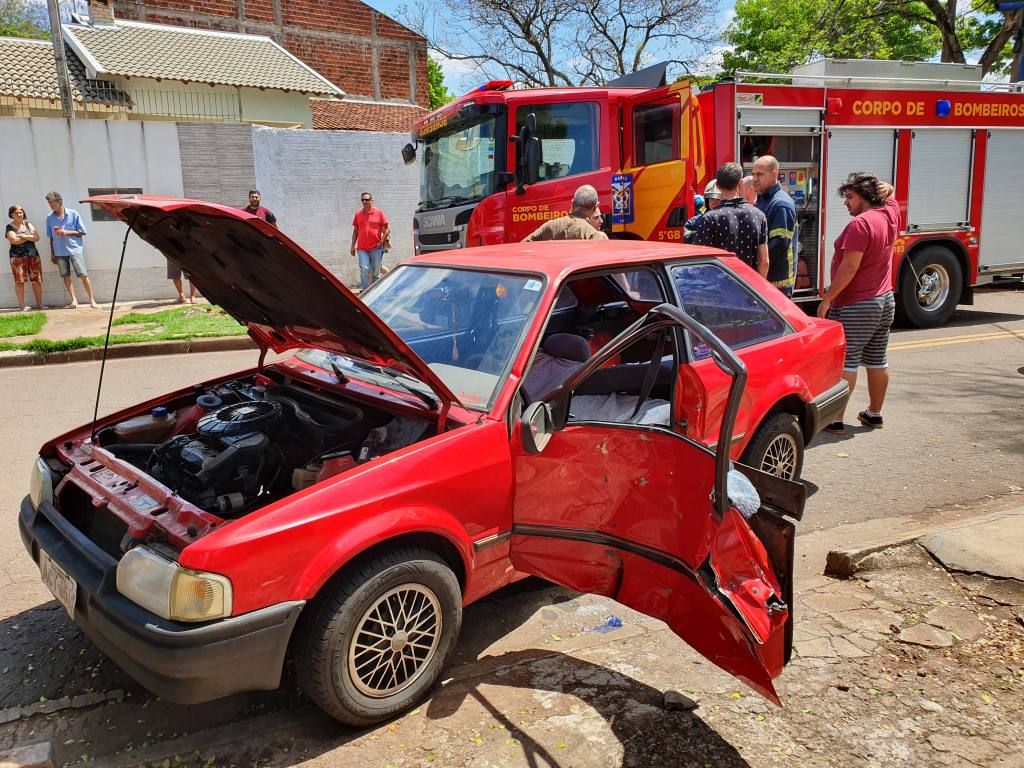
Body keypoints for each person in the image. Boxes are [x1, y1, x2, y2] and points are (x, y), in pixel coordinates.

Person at [816, 173, 900, 434]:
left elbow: (849, 267)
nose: (846, 203)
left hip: (858, 303)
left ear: (866, 196)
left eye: (850, 197)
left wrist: (827, 299)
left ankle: (836, 419)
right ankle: (874, 414)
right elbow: (891, 193)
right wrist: (886, 188)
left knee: (847, 362)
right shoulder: (890, 213)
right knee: (877, 359)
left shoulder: (861, 225)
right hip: (885, 300)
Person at [690, 163, 769, 278]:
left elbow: (699, 261)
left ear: (717, 185)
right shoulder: (759, 215)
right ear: (740, 183)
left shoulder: (710, 218)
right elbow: (764, 261)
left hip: (720, 289)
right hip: (750, 288)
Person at [44, 191, 99, 309]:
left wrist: (67, 232)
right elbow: (51, 238)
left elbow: (83, 232)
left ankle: (92, 300)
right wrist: (52, 253)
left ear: (59, 201)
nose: (51, 205)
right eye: (49, 203)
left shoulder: (73, 214)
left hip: (75, 250)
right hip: (59, 251)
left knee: (83, 274)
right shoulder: (49, 218)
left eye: (52, 203)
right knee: (65, 276)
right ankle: (74, 300)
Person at [752, 156, 797, 296]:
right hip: (767, 279)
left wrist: (754, 262)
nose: (754, 179)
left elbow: (778, 245)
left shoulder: (780, 204)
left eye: (759, 174)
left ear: (774, 175)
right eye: (753, 174)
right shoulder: (764, 200)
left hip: (777, 282)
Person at [522, 185, 609, 242]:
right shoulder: (595, 236)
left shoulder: (549, 227)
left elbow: (522, 247)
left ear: (572, 203)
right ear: (595, 207)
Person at [6, 204, 44, 311]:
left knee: (36, 280)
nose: (19, 214)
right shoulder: (9, 227)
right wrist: (29, 237)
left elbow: (37, 237)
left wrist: (22, 236)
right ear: (11, 215)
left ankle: (39, 304)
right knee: (20, 281)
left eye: (21, 212)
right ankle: (22, 306)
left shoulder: (28, 224)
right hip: (17, 257)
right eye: (16, 213)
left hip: (32, 255)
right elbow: (13, 240)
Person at [350, 192, 390, 289]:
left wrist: (382, 242)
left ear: (372, 201)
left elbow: (387, 229)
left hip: (376, 248)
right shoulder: (358, 214)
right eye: (362, 200)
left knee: (376, 272)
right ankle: (365, 291)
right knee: (364, 268)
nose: (364, 201)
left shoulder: (379, 213)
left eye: (366, 200)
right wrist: (352, 246)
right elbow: (355, 231)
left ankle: (375, 291)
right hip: (362, 248)